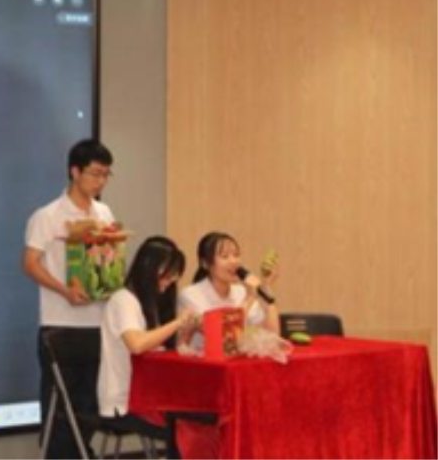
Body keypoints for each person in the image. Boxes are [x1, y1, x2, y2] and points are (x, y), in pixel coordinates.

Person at [22, 139, 115, 460]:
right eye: (95, 173)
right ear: (75, 171)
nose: (101, 181)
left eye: (106, 175)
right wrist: (64, 290)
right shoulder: (47, 215)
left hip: (98, 323)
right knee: (60, 409)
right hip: (60, 324)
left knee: (90, 405)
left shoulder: (104, 212)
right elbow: (30, 264)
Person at [98, 236, 219, 460]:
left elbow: (161, 349)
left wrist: (187, 331)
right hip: (127, 400)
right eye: (167, 276)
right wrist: (178, 323)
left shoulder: (149, 303)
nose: (168, 283)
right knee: (193, 428)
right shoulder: (123, 300)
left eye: (173, 278)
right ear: (149, 268)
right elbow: (137, 344)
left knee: (208, 418)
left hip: (151, 395)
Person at [178, 232, 280, 336]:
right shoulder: (191, 294)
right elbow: (221, 334)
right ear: (205, 264)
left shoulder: (240, 291)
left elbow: (271, 334)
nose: (234, 261)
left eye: (236, 255)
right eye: (225, 256)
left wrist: (266, 289)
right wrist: (249, 298)